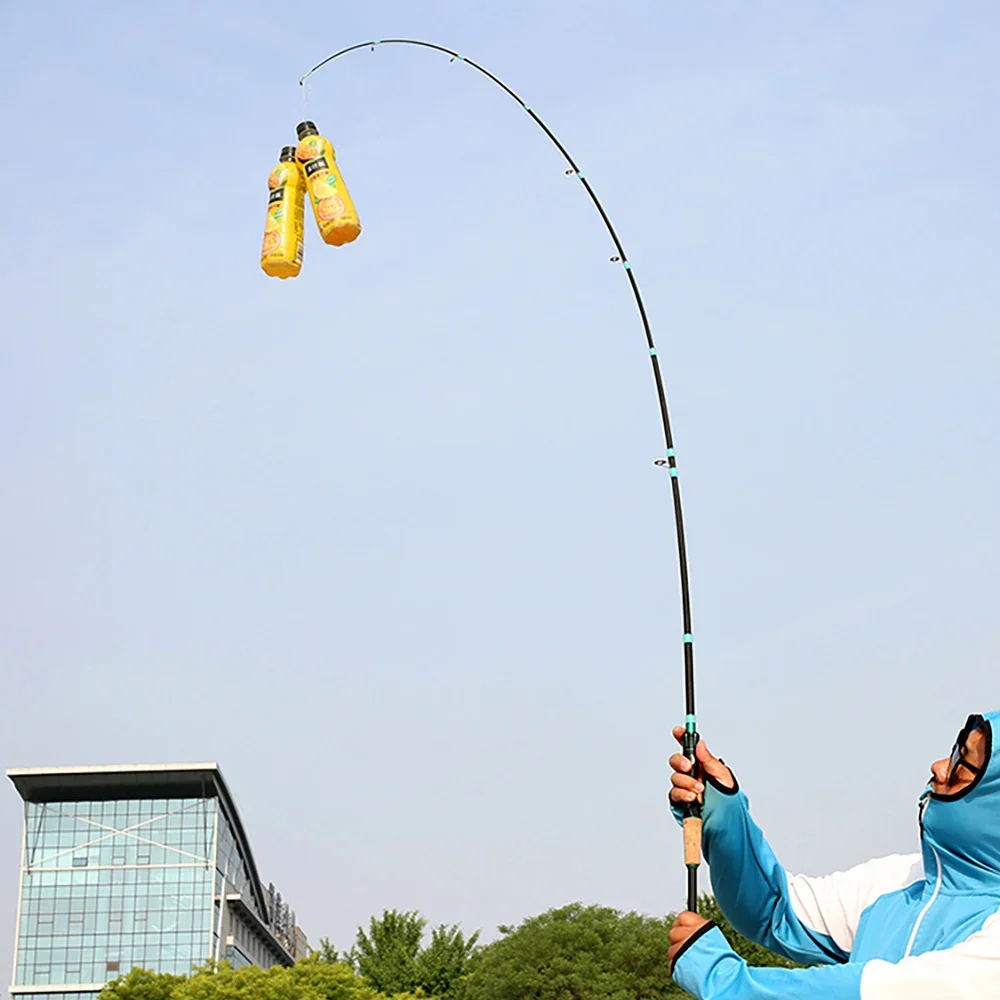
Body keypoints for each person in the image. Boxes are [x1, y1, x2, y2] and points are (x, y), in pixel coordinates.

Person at [666, 709, 1000, 998]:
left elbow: (864, 992)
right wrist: (722, 811)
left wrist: (725, 981)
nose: (940, 766)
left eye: (963, 765)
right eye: (953, 752)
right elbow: (773, 911)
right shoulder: (897, 879)